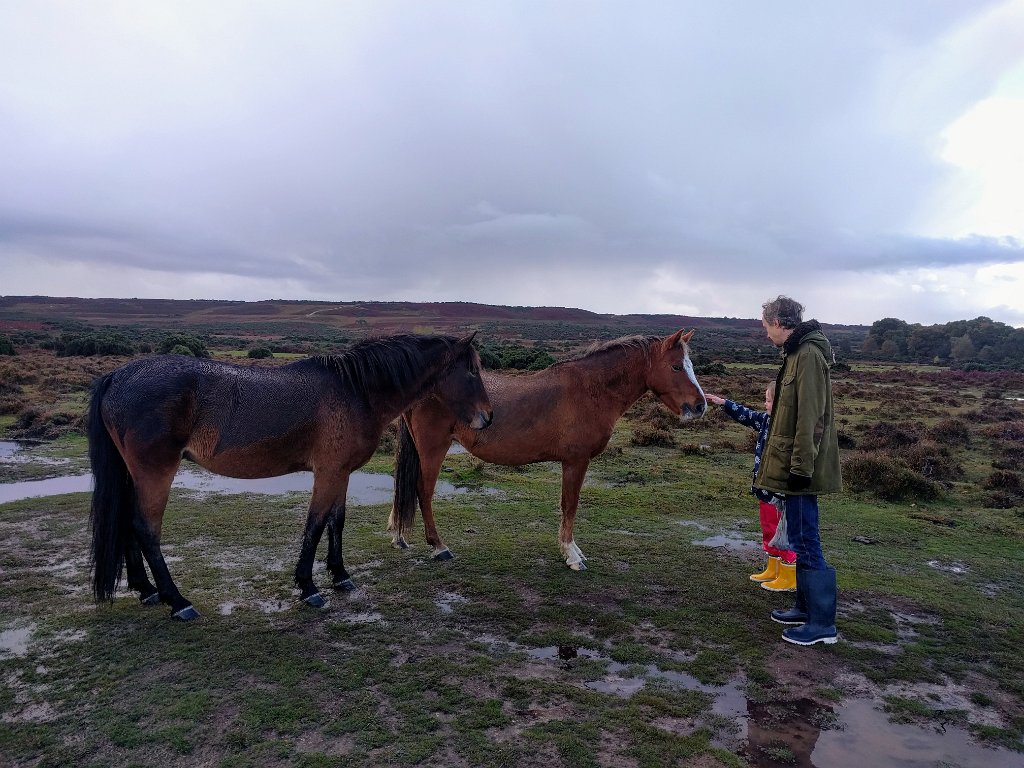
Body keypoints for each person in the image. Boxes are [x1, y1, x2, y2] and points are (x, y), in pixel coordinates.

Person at [753, 296, 842, 646]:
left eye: (765, 327)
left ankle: (822, 624)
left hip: (802, 469)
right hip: (796, 465)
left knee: (806, 539)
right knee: (801, 538)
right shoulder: (796, 353)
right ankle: (805, 608)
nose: (766, 334)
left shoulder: (807, 356)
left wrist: (801, 468)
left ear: (778, 322)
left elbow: (811, 418)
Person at [705, 383, 797, 591]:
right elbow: (747, 415)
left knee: (783, 533)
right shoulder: (765, 421)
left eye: (769, 400)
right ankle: (773, 568)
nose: (765, 404)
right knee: (768, 529)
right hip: (764, 489)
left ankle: (789, 575)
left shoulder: (788, 429)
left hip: (780, 493)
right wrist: (724, 403)